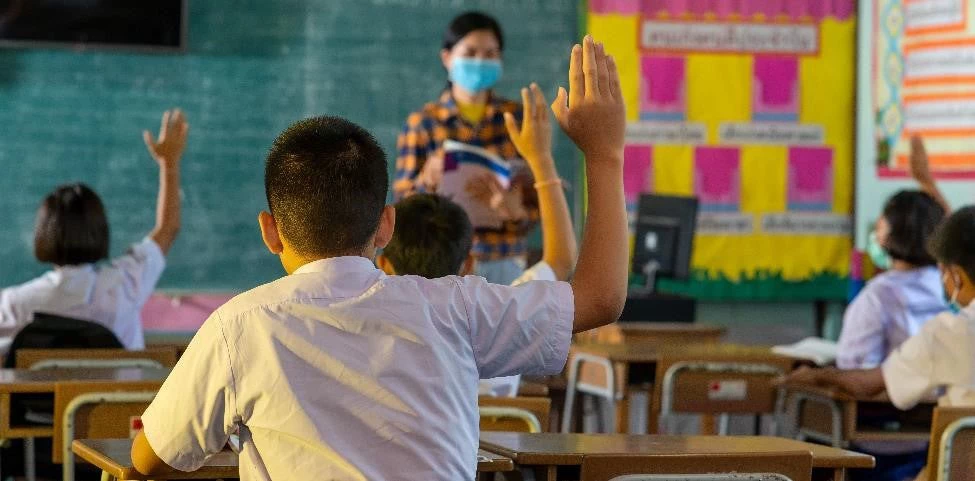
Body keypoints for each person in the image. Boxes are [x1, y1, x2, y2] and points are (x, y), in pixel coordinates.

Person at [131, 37, 628, 480]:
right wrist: (604, 154)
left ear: (270, 232)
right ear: (385, 225)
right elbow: (601, 298)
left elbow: (151, 459)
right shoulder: (455, 309)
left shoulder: (238, 328)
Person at [379, 82, 577, 396]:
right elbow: (561, 260)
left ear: (383, 263)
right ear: (469, 264)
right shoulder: (494, 320)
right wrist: (541, 160)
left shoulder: (368, 327)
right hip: (486, 447)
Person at [783, 206, 975, 481]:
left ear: (956, 276)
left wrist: (815, 375)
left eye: (943, 271)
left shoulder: (950, 331)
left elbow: (867, 384)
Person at [0, 109, 187, 353]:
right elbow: (167, 228)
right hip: (119, 393)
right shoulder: (127, 284)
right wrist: (169, 163)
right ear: (101, 231)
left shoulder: (13, 305)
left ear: (42, 235)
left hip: (41, 394)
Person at [394, 11, 538, 285]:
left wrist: (515, 211)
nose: (480, 61)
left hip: (505, 260)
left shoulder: (518, 119)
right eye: (470, 52)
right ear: (447, 58)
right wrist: (427, 180)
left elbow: (541, 202)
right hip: (441, 265)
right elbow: (402, 211)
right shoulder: (422, 123)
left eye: (490, 53)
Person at [839, 189, 947, 369]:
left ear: (888, 236)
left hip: (892, 394)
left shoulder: (877, 296)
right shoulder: (952, 287)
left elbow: (853, 367)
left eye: (880, 226)